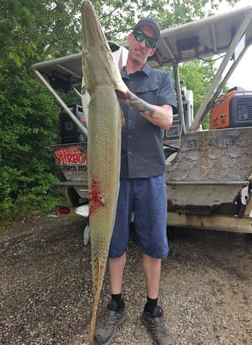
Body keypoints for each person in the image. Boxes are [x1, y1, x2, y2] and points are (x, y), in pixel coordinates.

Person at [94, 17, 177, 345]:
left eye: (150, 41)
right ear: (130, 37)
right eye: (139, 35)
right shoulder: (109, 74)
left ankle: (152, 309)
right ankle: (116, 305)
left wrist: (126, 95)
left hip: (151, 177)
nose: (143, 43)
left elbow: (167, 120)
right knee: (114, 246)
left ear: (153, 49)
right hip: (113, 178)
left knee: (153, 245)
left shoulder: (160, 78)